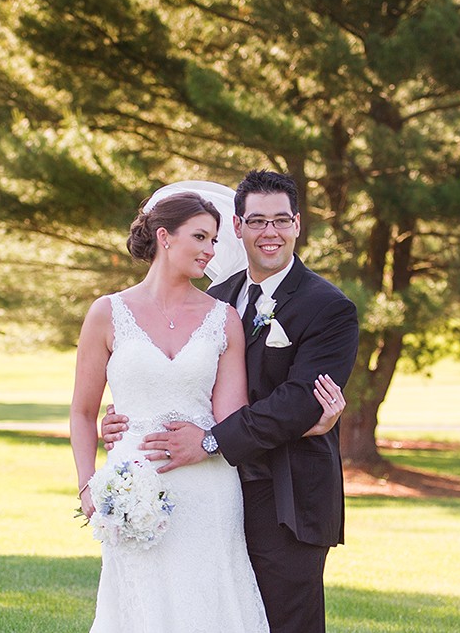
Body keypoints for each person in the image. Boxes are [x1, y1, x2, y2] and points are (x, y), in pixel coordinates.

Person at [70, 189, 345, 632]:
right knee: (141, 609)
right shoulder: (107, 312)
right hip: (132, 482)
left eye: (214, 240)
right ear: (164, 237)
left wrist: (310, 425)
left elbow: (233, 416)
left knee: (209, 607)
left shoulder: (222, 316)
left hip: (209, 487)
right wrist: (88, 488)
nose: (211, 250)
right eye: (200, 237)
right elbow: (83, 412)